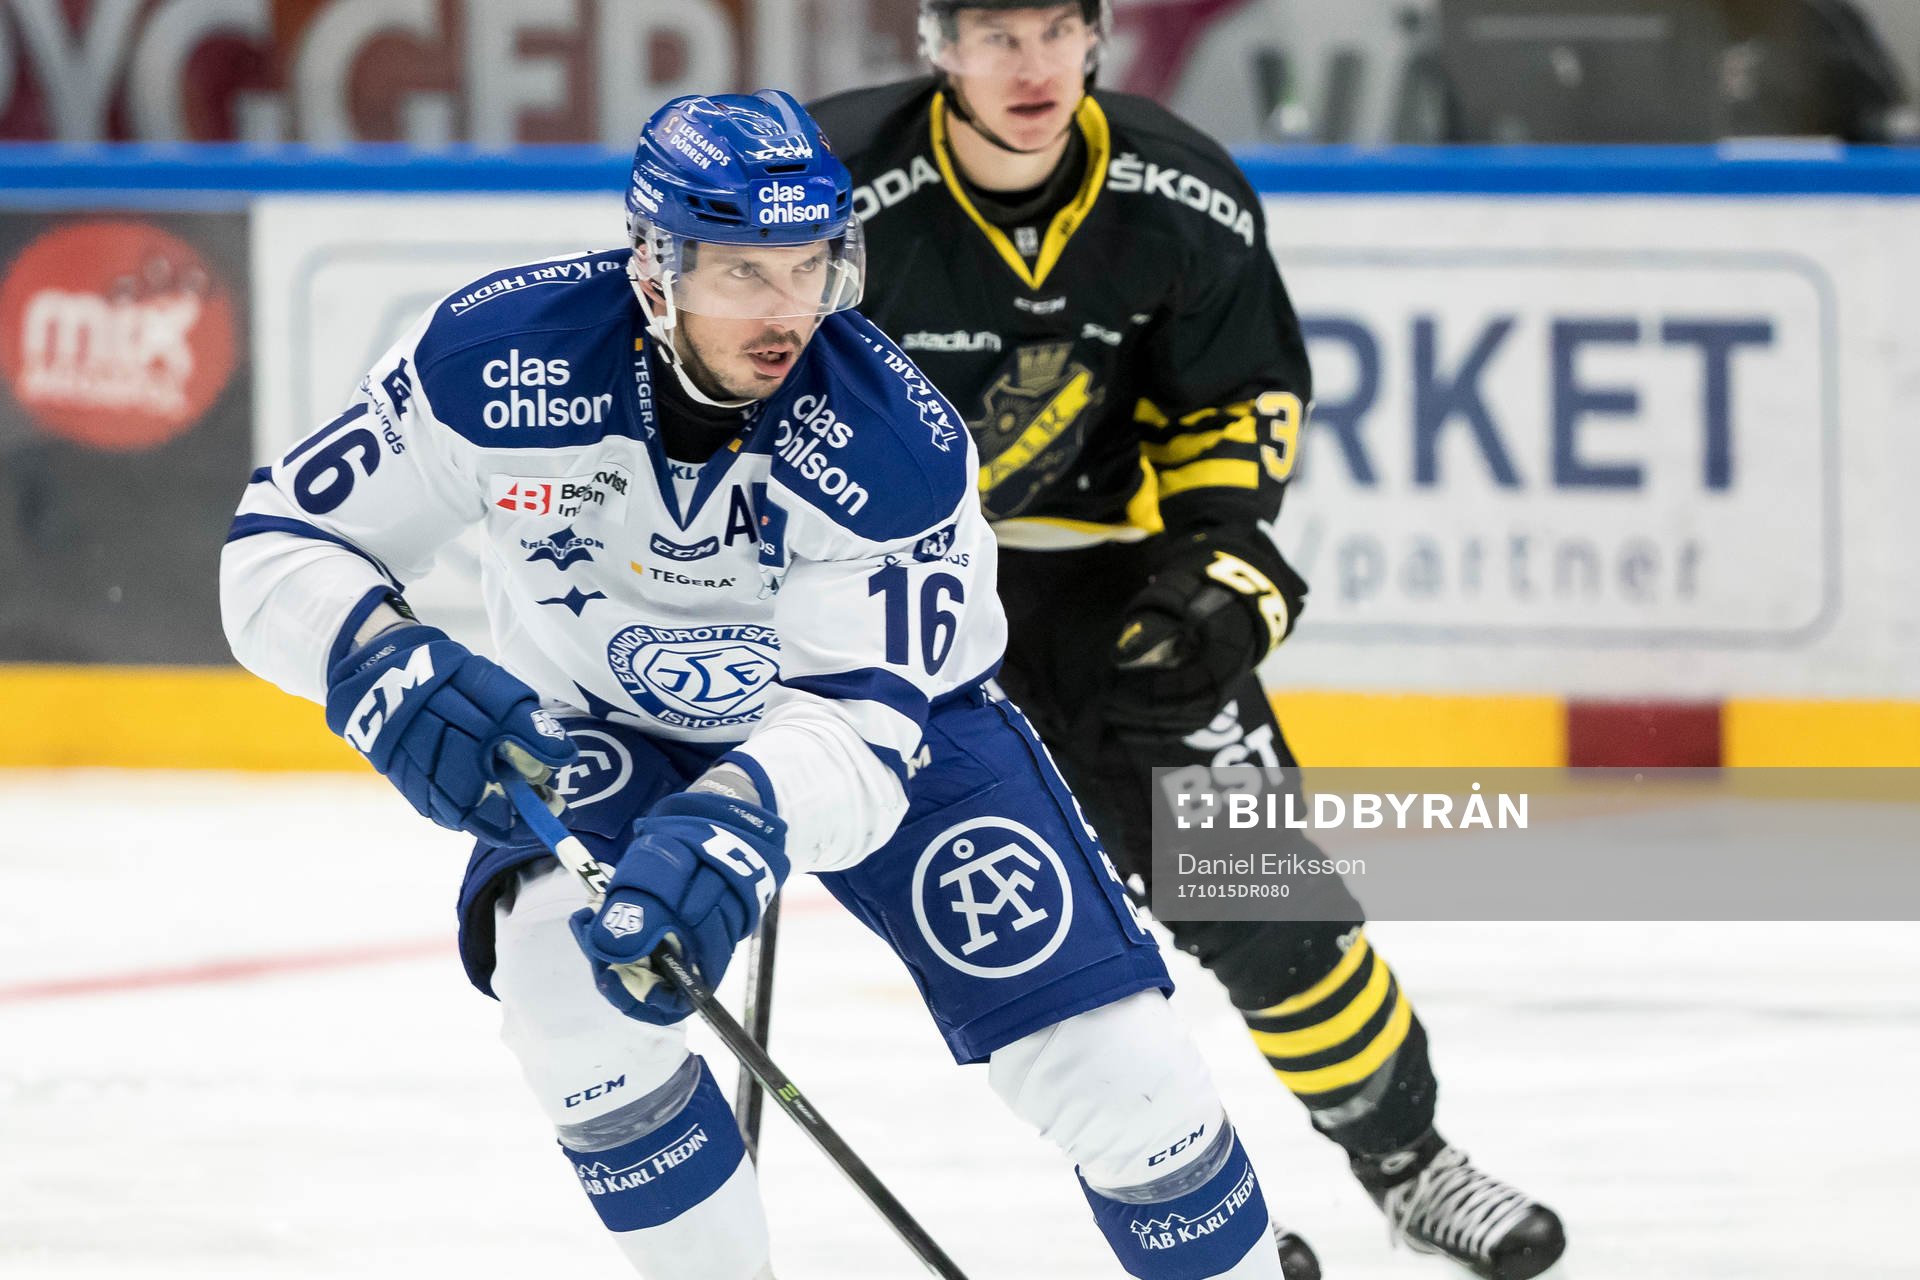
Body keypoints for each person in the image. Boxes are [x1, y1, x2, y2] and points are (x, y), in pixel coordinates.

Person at [221, 89, 1312, 1280]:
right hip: (608, 728)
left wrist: (741, 817)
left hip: (902, 734)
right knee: (565, 989)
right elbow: (280, 543)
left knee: (1123, 1071)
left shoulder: (895, 443)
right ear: (653, 262)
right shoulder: (496, 356)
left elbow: (855, 728)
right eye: (744, 273)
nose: (787, 311)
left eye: (810, 266)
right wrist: (369, 653)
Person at [808, 7, 1566, 1279]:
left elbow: (1236, 396)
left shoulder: (1181, 192)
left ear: (1097, 37)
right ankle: (1202, 1218)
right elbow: (746, 370)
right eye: (996, 33)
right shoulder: (839, 189)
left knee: (1272, 905)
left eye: (1058, 27)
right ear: (937, 45)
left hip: (1114, 589)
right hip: (902, 599)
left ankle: (1413, 1163)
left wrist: (1226, 553)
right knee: (1033, 944)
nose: (1032, 64)